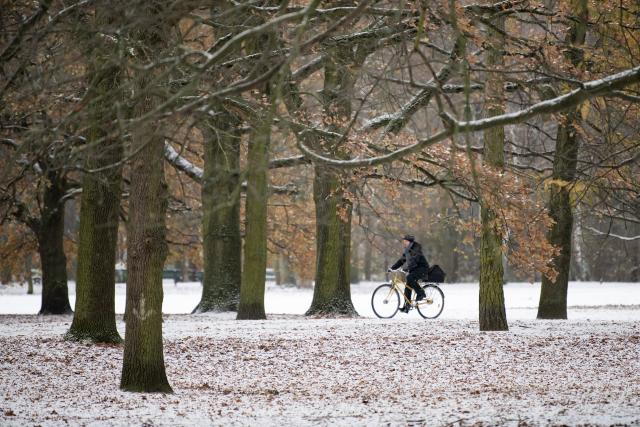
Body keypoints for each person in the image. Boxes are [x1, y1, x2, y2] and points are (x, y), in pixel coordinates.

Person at [388, 234, 429, 313]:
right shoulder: (407, 250)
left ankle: (421, 293)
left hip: (422, 268)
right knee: (407, 286)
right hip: (415, 269)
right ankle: (407, 305)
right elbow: (401, 260)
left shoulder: (416, 248)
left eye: (405, 241)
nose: (404, 242)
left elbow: (415, 260)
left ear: (410, 242)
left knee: (410, 277)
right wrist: (392, 268)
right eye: (404, 241)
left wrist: (406, 268)